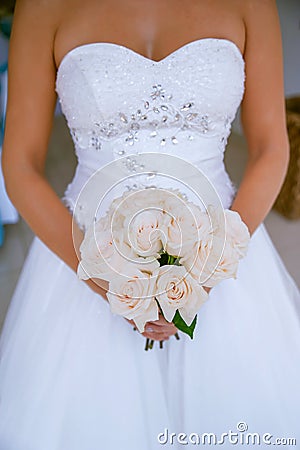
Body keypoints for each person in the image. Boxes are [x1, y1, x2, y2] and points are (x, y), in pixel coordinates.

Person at [0, 0, 300, 449]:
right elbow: (19, 166)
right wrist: (116, 284)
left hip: (222, 258)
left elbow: (271, 148)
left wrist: (207, 265)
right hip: (84, 255)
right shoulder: (41, 7)